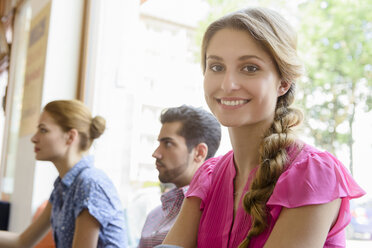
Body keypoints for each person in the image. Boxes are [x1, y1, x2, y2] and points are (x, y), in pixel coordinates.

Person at [160, 7, 366, 248]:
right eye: (216, 67)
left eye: (250, 68)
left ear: (284, 83)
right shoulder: (208, 176)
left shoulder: (313, 174)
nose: (228, 84)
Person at [0, 99, 128, 247]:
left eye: (43, 130)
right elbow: (22, 242)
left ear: (71, 136)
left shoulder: (90, 184)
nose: (34, 138)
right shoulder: (62, 187)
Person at [138, 105, 221, 248]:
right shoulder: (154, 215)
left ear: (199, 153)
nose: (156, 153)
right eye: (159, 144)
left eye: (168, 144)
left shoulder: (212, 215)